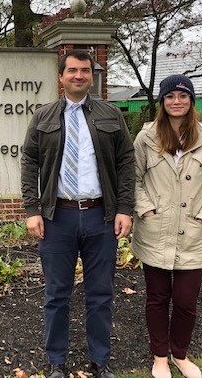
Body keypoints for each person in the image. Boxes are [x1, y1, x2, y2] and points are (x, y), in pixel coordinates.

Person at [21, 49, 135, 378]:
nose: (79, 76)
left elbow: (126, 162)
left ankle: (100, 361)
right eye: (72, 70)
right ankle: (56, 362)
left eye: (85, 71)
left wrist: (124, 208)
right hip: (58, 218)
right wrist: (32, 209)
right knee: (57, 294)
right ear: (61, 76)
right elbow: (29, 163)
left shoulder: (111, 115)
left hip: (101, 217)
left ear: (91, 76)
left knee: (100, 294)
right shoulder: (43, 117)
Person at [131, 74, 202, 378]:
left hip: (194, 233)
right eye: (170, 96)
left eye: (183, 96)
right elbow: (133, 180)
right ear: (162, 101)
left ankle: (180, 354)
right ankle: (160, 356)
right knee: (158, 298)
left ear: (191, 101)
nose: (177, 102)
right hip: (155, 231)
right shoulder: (146, 138)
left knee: (186, 301)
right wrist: (146, 209)